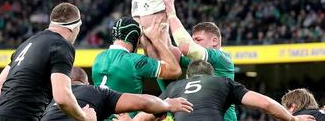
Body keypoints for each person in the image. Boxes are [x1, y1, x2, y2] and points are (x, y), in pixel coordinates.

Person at [0, 2, 96, 121]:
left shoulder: (26, 44)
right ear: (75, 27)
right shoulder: (61, 45)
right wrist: (86, 118)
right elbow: (62, 97)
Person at [131, 61, 313, 121]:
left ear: (189, 77)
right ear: (211, 75)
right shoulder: (223, 82)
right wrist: (293, 118)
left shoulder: (173, 87)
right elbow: (265, 103)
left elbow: (146, 115)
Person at [164, 0, 235, 121]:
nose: (194, 43)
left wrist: (171, 14)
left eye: (198, 40)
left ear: (214, 41)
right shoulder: (197, 61)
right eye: (193, 40)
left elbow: (186, 47)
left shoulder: (222, 59)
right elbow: (172, 53)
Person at [41, 67, 192, 121]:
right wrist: (168, 104)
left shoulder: (47, 103)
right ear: (86, 82)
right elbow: (143, 102)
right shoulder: (94, 91)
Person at [92, 17, 181, 95]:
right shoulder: (136, 61)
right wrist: (156, 40)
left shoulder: (98, 58)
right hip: (126, 114)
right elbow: (175, 70)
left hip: (99, 113)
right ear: (137, 41)